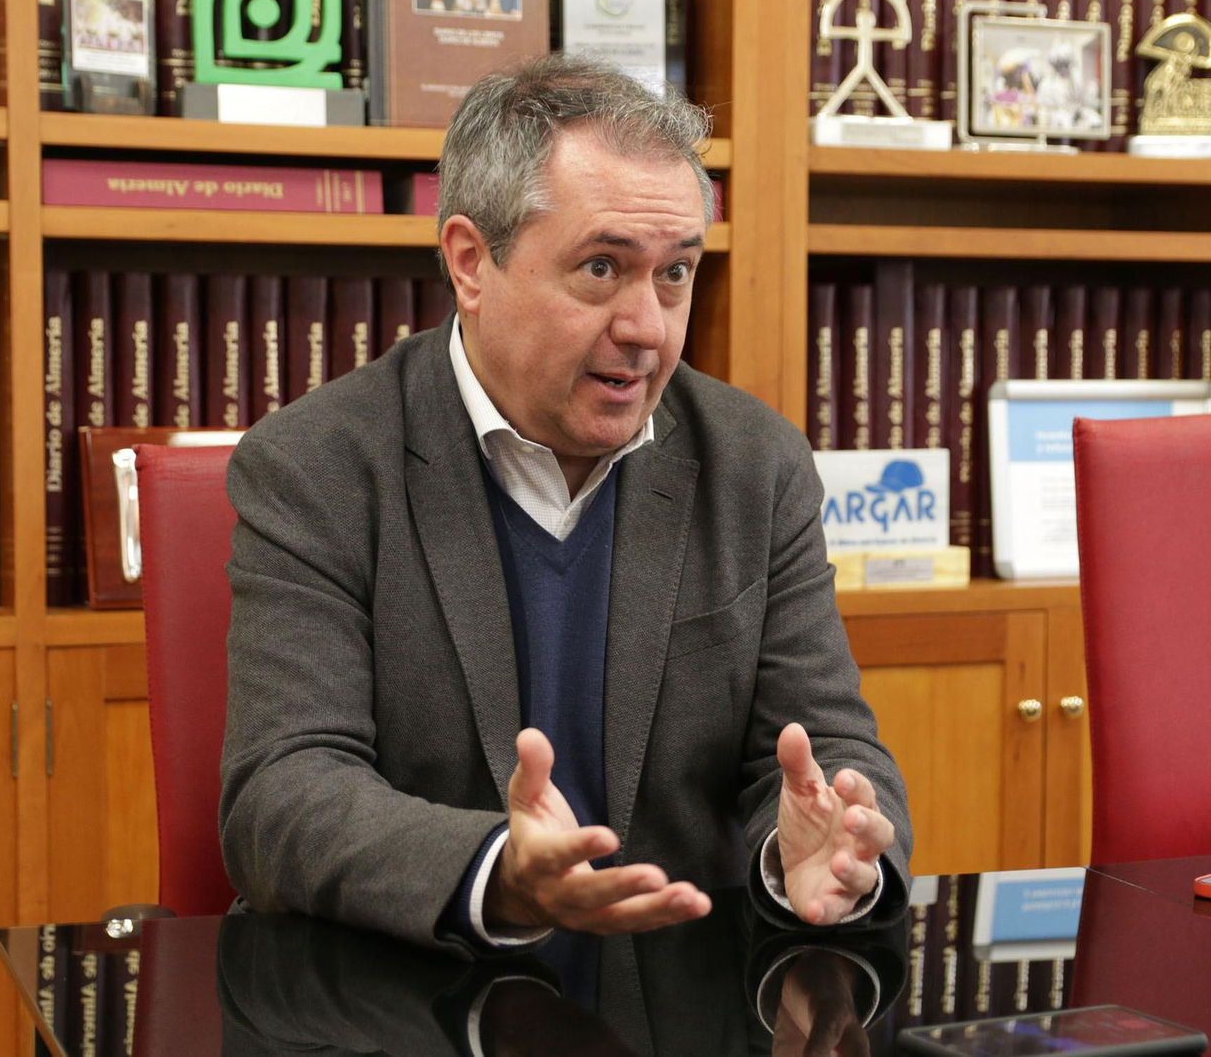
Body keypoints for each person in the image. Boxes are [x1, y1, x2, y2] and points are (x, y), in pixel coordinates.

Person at [219, 55, 912, 971]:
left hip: (683, 1000)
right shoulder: (317, 467)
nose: (649, 326)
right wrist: (497, 873)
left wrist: (815, 852)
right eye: (601, 267)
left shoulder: (756, 464)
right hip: (409, 999)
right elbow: (283, 790)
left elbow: (821, 743)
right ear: (471, 262)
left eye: (675, 274)